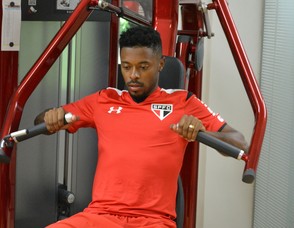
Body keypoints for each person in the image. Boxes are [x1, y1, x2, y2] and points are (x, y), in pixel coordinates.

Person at [36, 26, 248, 228]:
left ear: (161, 64)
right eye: (127, 67)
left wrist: (201, 131)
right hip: (100, 216)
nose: (133, 75)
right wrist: (50, 117)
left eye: (143, 67)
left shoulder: (183, 102)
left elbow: (240, 142)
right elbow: (39, 122)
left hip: (154, 221)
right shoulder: (104, 100)